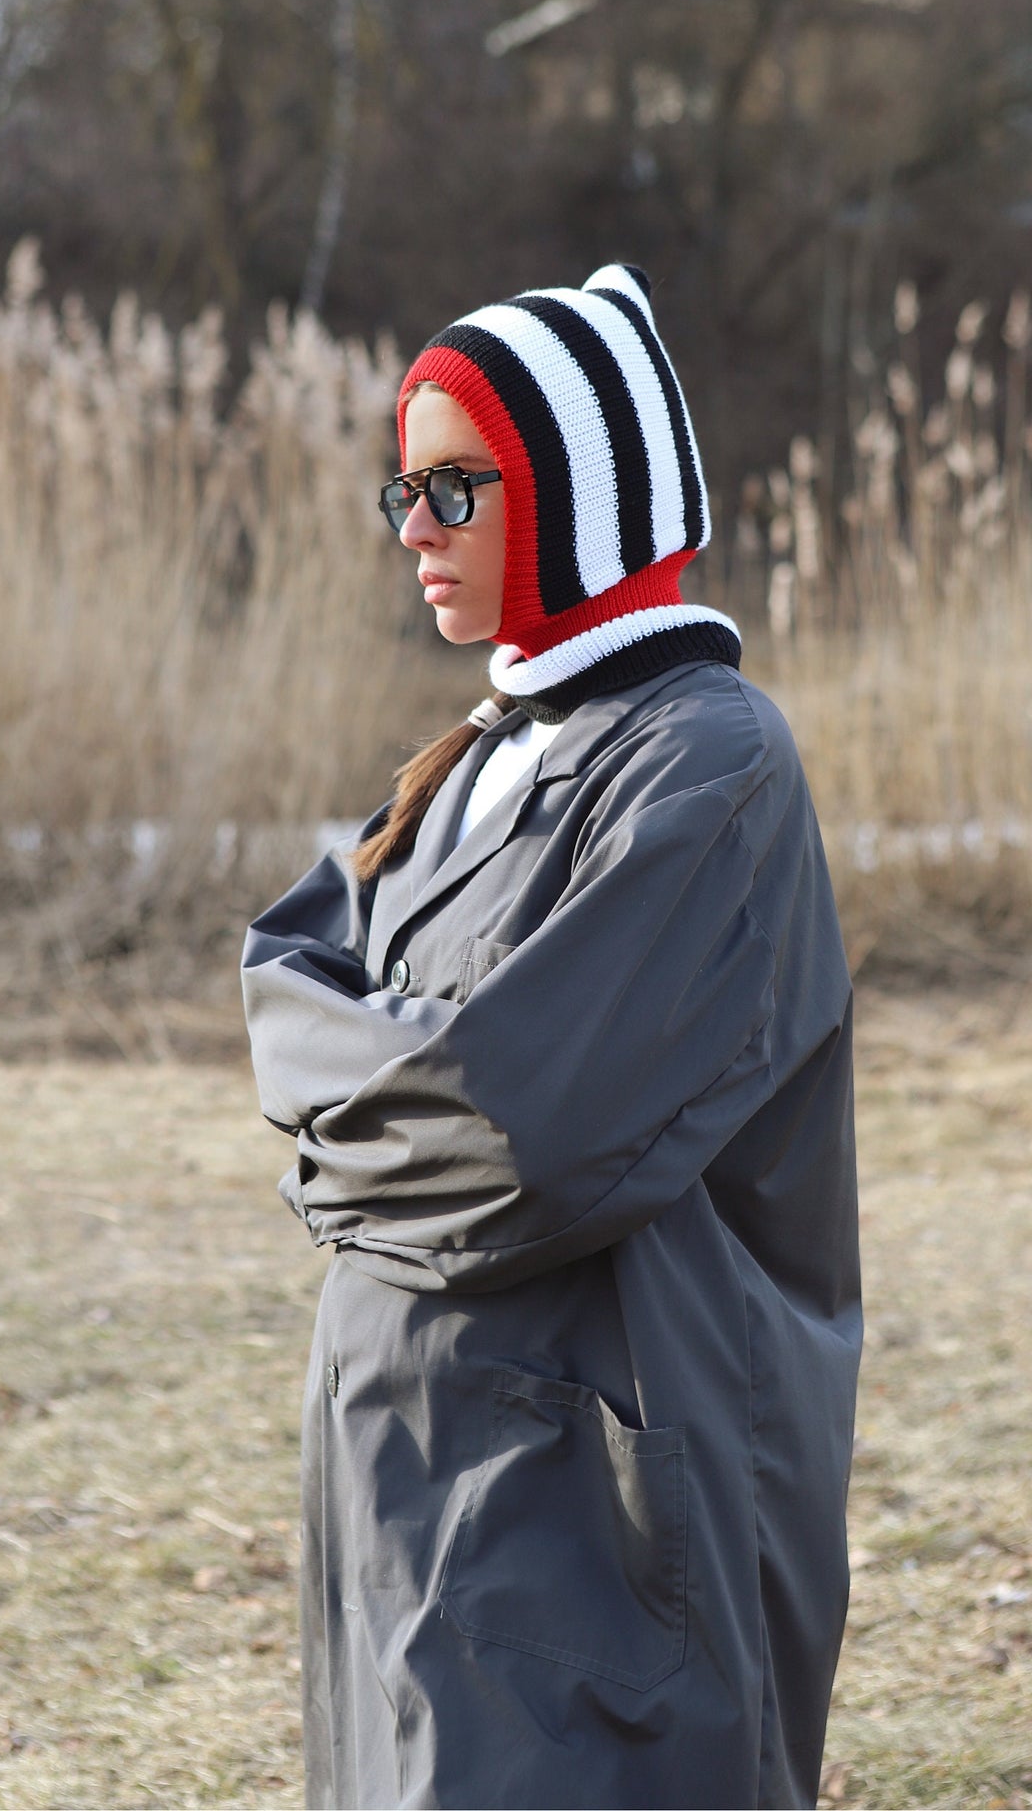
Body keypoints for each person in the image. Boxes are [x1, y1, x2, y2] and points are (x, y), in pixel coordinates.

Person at [241, 264, 861, 1811]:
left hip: (588, 1499)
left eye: (456, 486)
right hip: (414, 1459)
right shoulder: (467, 763)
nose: (413, 530)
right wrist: (389, 1097)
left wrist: (330, 1162)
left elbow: (520, 1131)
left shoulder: (708, 763)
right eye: (404, 489)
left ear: (576, 491)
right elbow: (279, 982)